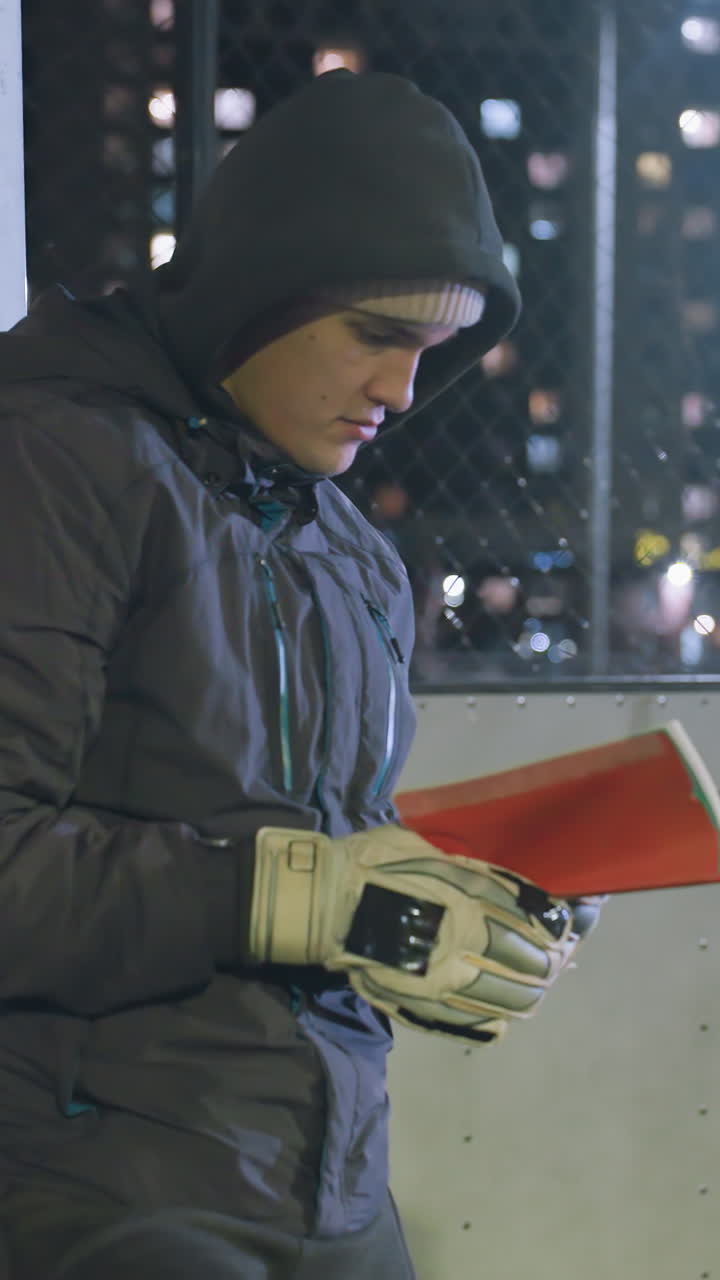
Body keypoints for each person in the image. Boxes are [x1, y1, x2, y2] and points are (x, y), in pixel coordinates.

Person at [0, 69, 602, 1279]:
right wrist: (300, 897)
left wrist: (420, 925)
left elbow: (323, 849)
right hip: (99, 1189)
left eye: (432, 351)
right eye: (377, 334)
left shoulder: (353, 553)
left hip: (331, 1185)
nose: (402, 392)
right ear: (256, 294)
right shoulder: (56, 465)